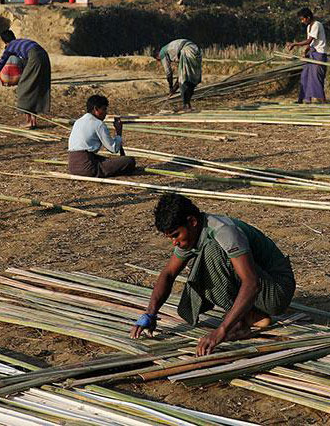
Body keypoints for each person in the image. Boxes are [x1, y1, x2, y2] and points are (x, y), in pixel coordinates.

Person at [130, 193, 295, 355]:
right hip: (260, 287)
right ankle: (250, 315)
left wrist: (222, 330)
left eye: (176, 235)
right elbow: (168, 273)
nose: (175, 243)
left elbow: (252, 283)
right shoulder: (192, 235)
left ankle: (240, 322)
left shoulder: (223, 232)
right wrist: (150, 313)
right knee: (202, 261)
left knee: (211, 252)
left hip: (277, 291)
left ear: (192, 222)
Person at [0, 31, 51, 128]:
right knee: (35, 86)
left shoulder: (9, 47)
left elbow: (0, 65)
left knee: (24, 87)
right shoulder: (21, 42)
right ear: (14, 37)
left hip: (34, 56)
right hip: (44, 55)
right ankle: (33, 120)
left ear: (4, 42)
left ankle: (29, 121)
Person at [67, 94, 137, 178]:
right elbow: (113, 148)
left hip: (72, 166)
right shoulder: (98, 124)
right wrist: (119, 132)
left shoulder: (78, 121)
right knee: (129, 161)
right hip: (87, 167)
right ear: (96, 109)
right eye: (104, 109)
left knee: (110, 160)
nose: (105, 113)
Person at [287, 7, 327, 103]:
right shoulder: (309, 27)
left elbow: (309, 40)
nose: (302, 21)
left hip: (319, 54)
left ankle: (322, 101)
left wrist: (294, 44)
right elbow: (310, 43)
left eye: (302, 19)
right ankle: (304, 99)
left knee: (316, 78)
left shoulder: (317, 25)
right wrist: (306, 50)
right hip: (312, 54)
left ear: (308, 17)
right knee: (305, 76)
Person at [158, 39, 203, 111]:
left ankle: (186, 105)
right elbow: (180, 74)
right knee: (191, 78)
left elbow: (168, 72)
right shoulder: (171, 49)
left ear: (157, 56)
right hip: (196, 50)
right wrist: (174, 87)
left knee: (184, 80)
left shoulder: (162, 53)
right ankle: (187, 104)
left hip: (187, 50)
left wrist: (170, 87)